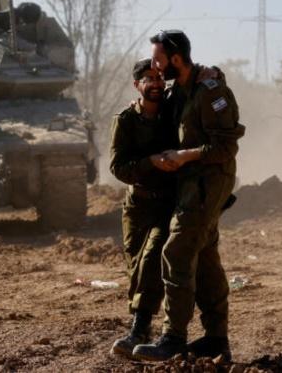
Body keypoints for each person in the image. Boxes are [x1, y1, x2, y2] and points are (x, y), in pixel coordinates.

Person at [133, 30, 245, 362]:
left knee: (177, 251)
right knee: (206, 256)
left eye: (158, 59)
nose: (154, 66)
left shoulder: (209, 92)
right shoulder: (180, 91)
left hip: (208, 182)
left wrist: (185, 156)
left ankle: (173, 338)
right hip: (191, 185)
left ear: (176, 59)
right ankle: (215, 340)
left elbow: (225, 146)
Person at [107, 59, 177, 358]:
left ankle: (141, 327)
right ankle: (142, 325)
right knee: (137, 265)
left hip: (167, 202)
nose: (156, 83)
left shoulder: (174, 113)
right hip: (137, 204)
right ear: (137, 85)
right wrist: (150, 163)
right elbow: (118, 168)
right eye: (148, 78)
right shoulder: (125, 120)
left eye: (160, 78)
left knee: (151, 259)